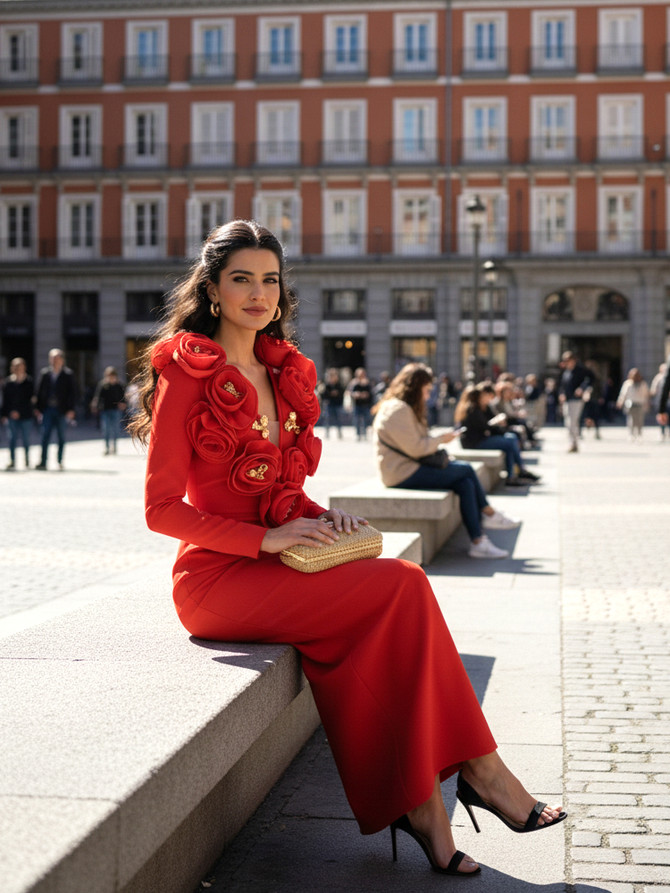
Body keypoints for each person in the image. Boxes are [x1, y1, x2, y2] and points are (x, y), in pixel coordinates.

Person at [128, 219, 565, 878]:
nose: (258, 293)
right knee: (404, 587)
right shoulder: (187, 371)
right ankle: (477, 772)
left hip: (277, 561)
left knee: (395, 604)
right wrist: (267, 537)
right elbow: (161, 510)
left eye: (269, 279)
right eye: (241, 279)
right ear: (213, 289)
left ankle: (429, 808)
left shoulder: (280, 371)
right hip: (216, 581)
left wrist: (320, 517)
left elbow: (276, 489)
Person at [373, 363, 520, 559]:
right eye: (426, 390)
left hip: (410, 467)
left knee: (465, 482)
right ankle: (488, 513)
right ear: (415, 387)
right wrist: (442, 439)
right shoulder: (397, 409)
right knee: (466, 469)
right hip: (401, 472)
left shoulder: (404, 407)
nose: (427, 396)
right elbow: (416, 448)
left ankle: (478, 541)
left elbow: (417, 443)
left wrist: (440, 440)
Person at [454, 383, 540, 487]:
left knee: (510, 440)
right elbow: (486, 427)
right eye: (486, 396)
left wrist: (500, 424)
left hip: (483, 438)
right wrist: (497, 423)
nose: (489, 399)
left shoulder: (485, 408)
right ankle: (519, 471)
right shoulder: (473, 410)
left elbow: (493, 425)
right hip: (475, 442)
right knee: (510, 441)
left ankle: (513, 475)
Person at [35, 348, 78, 470]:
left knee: (61, 436)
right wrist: (37, 408)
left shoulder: (68, 374)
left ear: (62, 360)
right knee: (45, 435)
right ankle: (43, 461)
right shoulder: (45, 373)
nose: (54, 361)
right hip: (47, 409)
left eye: (57, 358)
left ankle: (59, 460)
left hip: (62, 410)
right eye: (52, 358)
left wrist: (71, 409)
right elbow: (39, 391)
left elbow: (73, 393)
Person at [1, 357, 34, 470]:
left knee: (25, 439)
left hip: (25, 415)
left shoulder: (29, 381)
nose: (18, 368)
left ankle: (27, 461)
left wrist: (20, 411)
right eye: (16, 366)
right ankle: (12, 460)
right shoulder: (8, 382)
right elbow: (6, 400)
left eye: (20, 366)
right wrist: (6, 414)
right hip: (11, 415)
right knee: (12, 439)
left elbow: (30, 399)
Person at [557, 351, 590, 453]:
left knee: (572, 421)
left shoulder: (580, 370)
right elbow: (562, 385)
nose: (567, 362)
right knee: (568, 422)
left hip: (576, 400)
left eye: (568, 360)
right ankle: (572, 442)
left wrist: (582, 388)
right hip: (567, 399)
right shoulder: (566, 372)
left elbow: (590, 379)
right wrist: (561, 394)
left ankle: (574, 443)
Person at [91, 366, 127, 454]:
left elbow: (123, 397)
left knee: (115, 428)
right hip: (105, 410)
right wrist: (95, 405)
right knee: (106, 429)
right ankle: (107, 447)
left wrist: (123, 404)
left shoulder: (119, 385)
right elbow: (98, 396)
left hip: (115, 410)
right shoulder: (103, 385)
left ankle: (114, 446)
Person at [616, 368, 650, 441]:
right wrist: (620, 401)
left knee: (639, 420)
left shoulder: (643, 384)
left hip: (640, 403)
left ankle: (639, 434)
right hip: (630, 404)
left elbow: (646, 395)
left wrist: (647, 403)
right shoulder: (628, 383)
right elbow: (623, 394)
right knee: (631, 420)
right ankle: (631, 434)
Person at [347, 367, 373, 440]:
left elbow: (371, 393)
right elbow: (350, 392)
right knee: (357, 420)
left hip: (365, 404)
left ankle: (364, 433)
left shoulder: (367, 383)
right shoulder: (354, 383)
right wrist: (356, 394)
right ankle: (358, 434)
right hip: (357, 404)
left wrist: (366, 395)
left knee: (366, 420)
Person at [318, 367, 344, 439]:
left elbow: (342, 394)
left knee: (338, 419)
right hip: (329, 404)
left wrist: (337, 394)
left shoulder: (339, 385)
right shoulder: (327, 386)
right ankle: (327, 433)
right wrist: (330, 393)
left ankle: (339, 433)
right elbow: (323, 395)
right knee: (327, 420)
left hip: (337, 404)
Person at [650, 362, 668, 440]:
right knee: (662, 416)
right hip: (661, 400)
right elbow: (654, 390)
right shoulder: (658, 378)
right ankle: (662, 432)